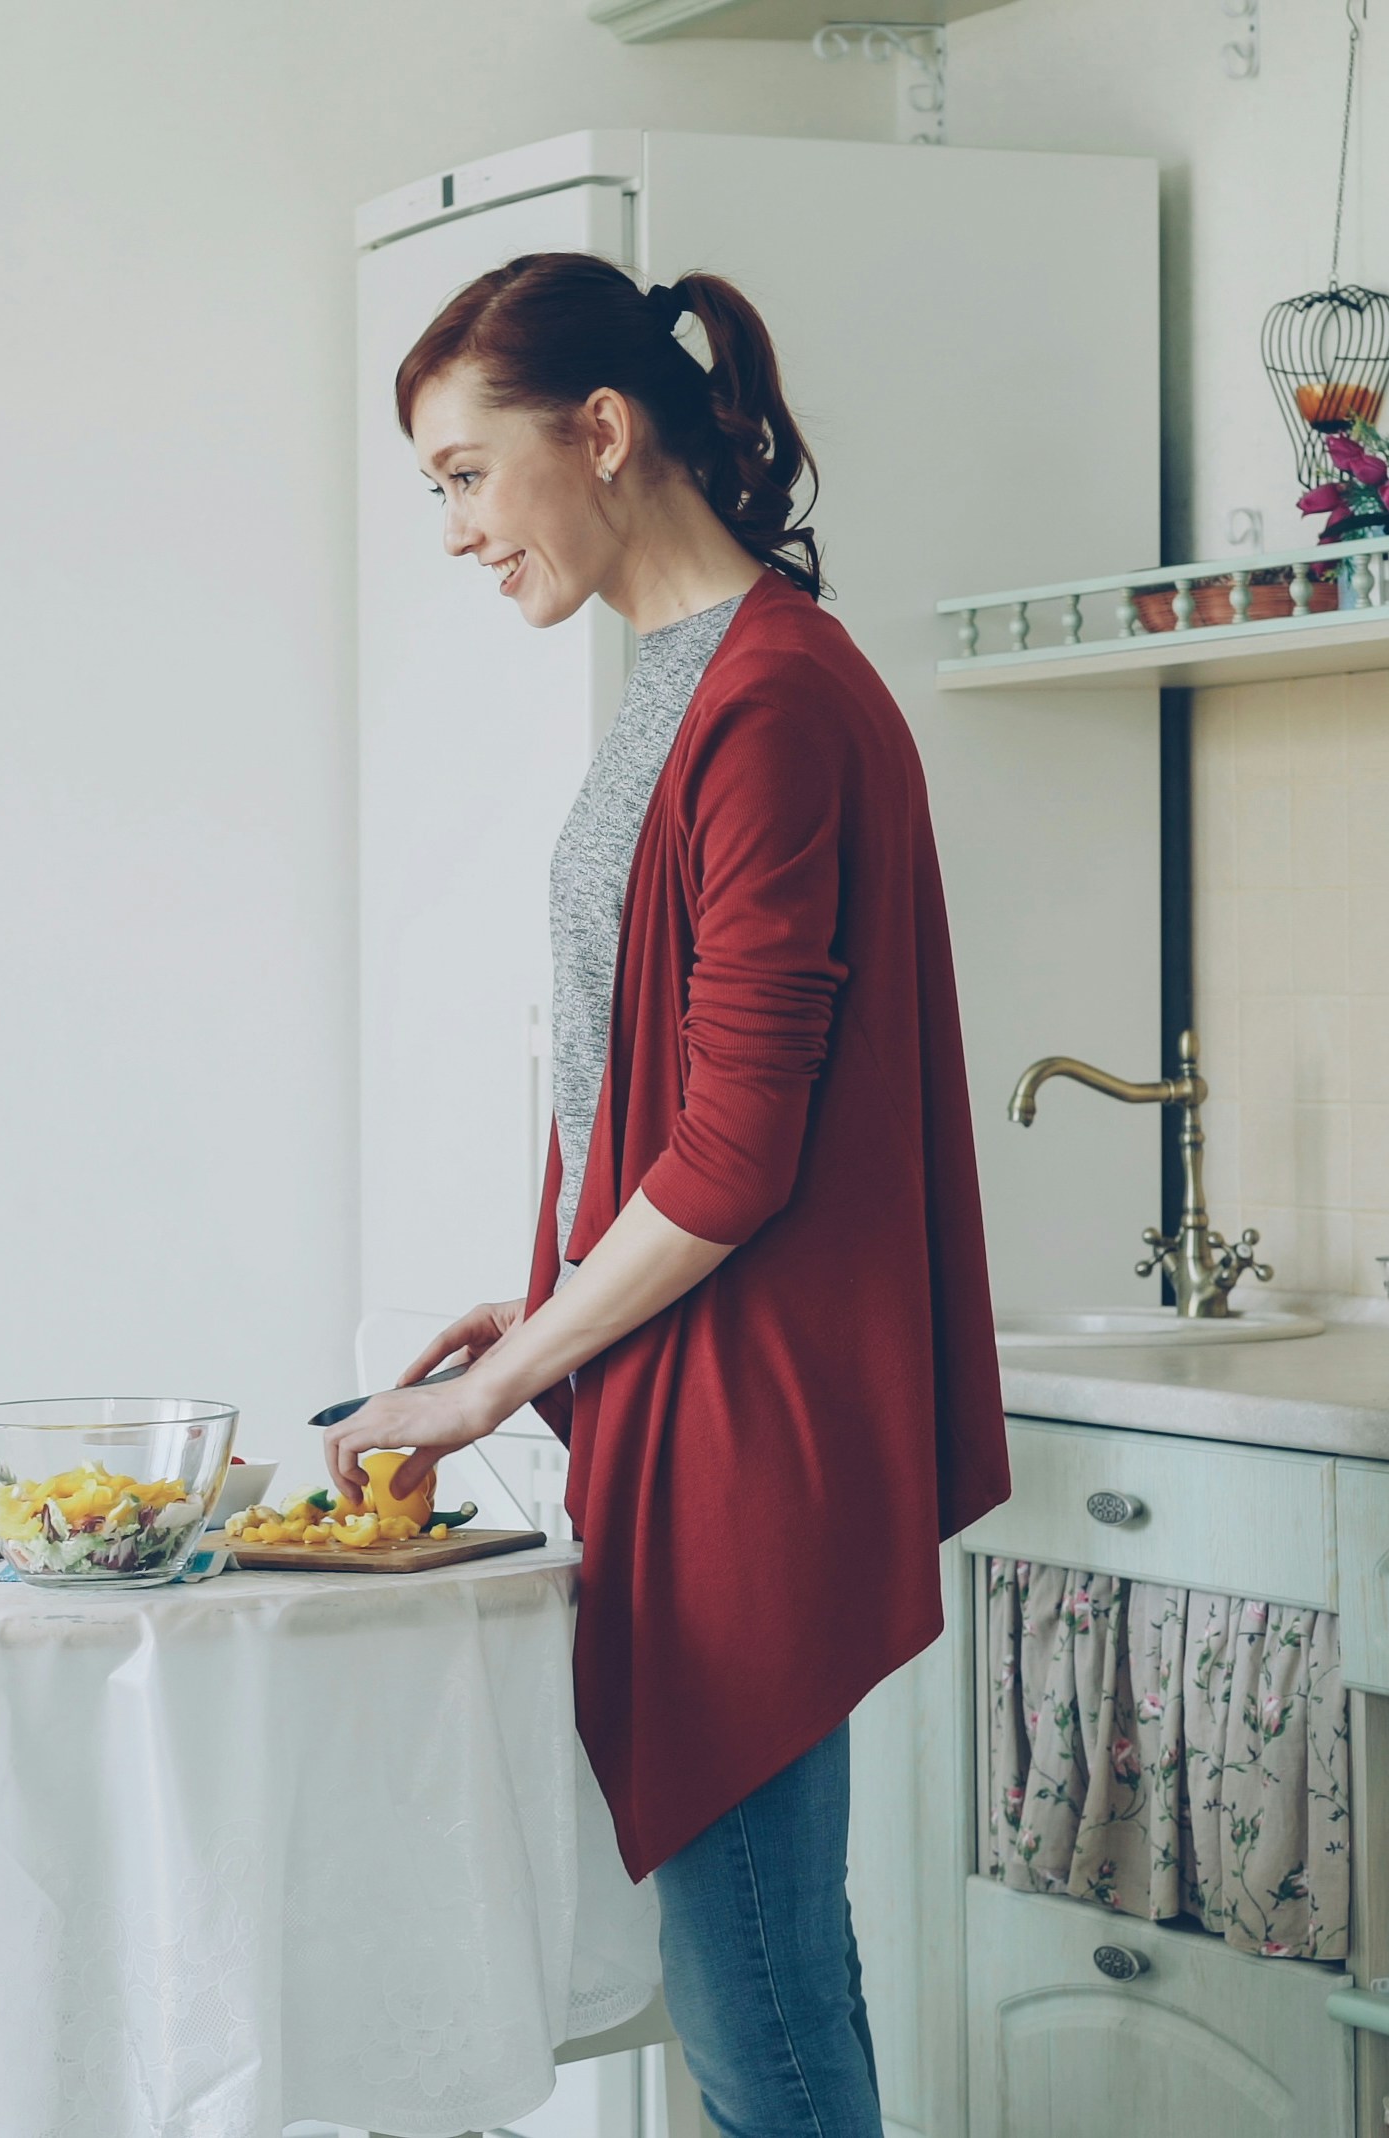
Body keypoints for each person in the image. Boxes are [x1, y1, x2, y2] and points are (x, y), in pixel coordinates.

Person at [325, 256, 1009, 2138]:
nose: (459, 533)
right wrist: (527, 1303)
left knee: (764, 2018)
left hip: (751, 1429)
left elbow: (737, 1151)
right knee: (768, 1983)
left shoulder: (772, 701)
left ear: (603, 432)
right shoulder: (697, 679)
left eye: (469, 475)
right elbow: (661, 1107)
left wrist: (488, 1384)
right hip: (696, 1401)